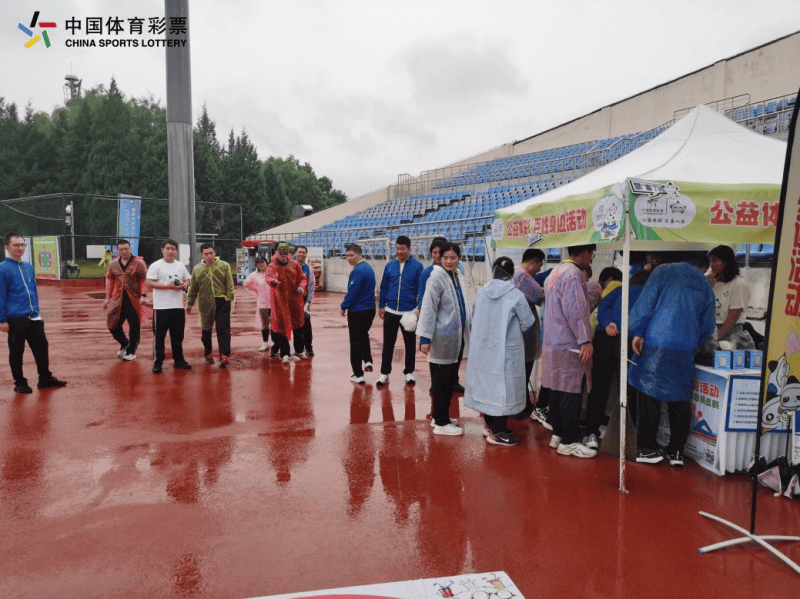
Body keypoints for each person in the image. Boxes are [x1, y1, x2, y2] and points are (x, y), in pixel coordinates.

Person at [629, 252, 716, 466]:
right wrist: (693, 340)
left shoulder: (663, 271)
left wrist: (637, 332)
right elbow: (708, 324)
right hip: (685, 346)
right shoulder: (704, 285)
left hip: (657, 340)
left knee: (650, 395)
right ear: (703, 266)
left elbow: (645, 305)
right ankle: (676, 452)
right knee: (680, 398)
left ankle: (647, 448)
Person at [465, 257, 534, 446]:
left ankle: (490, 425)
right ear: (512, 273)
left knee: (488, 386)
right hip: (506, 350)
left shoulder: (481, 292)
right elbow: (528, 322)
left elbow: (473, 317)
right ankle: (498, 431)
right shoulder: (516, 295)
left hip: (483, 348)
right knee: (505, 389)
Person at [541, 244, 596, 458]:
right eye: (591, 254)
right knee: (570, 392)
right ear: (584, 253)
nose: (590, 259)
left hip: (553, 341)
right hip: (569, 342)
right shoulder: (573, 274)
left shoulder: (555, 271)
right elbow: (576, 310)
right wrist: (585, 339)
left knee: (556, 389)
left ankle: (558, 433)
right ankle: (569, 440)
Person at [0, 232, 67, 393]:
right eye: (16, 245)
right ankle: (20, 382)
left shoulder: (28, 267)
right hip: (15, 317)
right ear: (7, 247)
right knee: (17, 350)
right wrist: (2, 320)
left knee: (41, 347)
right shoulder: (2, 269)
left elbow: (33, 291)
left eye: (23, 245)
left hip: (33, 316)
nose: (20, 248)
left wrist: (36, 310)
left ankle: (44, 378)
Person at [418, 242, 471, 436]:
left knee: (448, 380)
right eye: (445, 258)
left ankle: (441, 415)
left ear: (459, 259)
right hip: (442, 338)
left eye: (453, 258)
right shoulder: (437, 277)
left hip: (454, 338)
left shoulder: (456, 276)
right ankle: (440, 422)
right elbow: (428, 308)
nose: (449, 261)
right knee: (440, 381)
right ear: (439, 258)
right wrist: (425, 337)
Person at [583, 266, 624, 448]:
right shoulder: (632, 289)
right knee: (626, 389)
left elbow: (600, 312)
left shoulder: (609, 289)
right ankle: (622, 434)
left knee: (599, 388)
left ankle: (591, 433)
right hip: (627, 339)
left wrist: (607, 324)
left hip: (603, 338)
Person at [377, 236, 423, 386]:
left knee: (410, 344)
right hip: (390, 310)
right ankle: (384, 373)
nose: (399, 251)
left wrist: (418, 309)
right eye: (397, 248)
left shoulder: (417, 266)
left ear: (409, 249)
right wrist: (381, 305)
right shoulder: (390, 265)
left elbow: (421, 290)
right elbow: (384, 286)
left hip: (409, 312)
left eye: (402, 248)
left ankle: (409, 372)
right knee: (388, 344)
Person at [146, 238, 192, 374]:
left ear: (176, 251)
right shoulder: (156, 265)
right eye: (168, 248)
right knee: (159, 337)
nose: (170, 251)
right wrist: (167, 286)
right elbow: (149, 283)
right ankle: (158, 362)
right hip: (161, 308)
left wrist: (185, 285)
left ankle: (179, 360)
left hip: (177, 307)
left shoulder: (180, 265)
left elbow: (187, 279)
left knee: (178, 336)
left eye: (173, 249)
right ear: (162, 250)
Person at [186, 243, 235, 368]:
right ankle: (208, 352)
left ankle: (224, 355)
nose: (209, 256)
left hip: (222, 302)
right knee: (206, 330)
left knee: (223, 329)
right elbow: (193, 288)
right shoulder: (197, 269)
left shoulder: (224, 266)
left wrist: (229, 300)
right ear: (201, 255)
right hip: (205, 303)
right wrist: (190, 303)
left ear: (215, 253)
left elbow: (229, 284)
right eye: (206, 254)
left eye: (211, 253)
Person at [102, 238, 149, 361]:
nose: (124, 251)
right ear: (117, 250)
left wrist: (144, 294)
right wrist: (107, 298)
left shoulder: (139, 263)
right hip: (118, 299)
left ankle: (131, 350)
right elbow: (109, 280)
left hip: (134, 299)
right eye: (121, 249)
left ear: (130, 249)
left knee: (134, 325)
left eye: (126, 249)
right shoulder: (113, 265)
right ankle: (124, 343)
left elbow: (144, 279)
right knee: (112, 323)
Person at [513, 248, 545, 418]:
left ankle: (522, 403)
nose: (538, 270)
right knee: (522, 369)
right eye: (538, 266)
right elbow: (540, 295)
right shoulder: (522, 277)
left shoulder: (518, 275)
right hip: (523, 332)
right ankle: (517, 406)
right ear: (533, 262)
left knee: (522, 370)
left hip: (522, 331)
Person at [707, 244, 755, 350]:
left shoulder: (738, 283)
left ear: (725, 262)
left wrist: (717, 338)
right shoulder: (714, 282)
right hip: (714, 328)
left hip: (731, 332)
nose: (711, 265)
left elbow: (733, 316)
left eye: (715, 260)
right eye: (710, 261)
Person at [340, 244, 376, 383]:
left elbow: (352, 292)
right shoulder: (368, 268)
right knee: (363, 335)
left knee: (355, 341)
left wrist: (344, 306)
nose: (349, 258)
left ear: (359, 255)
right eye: (347, 256)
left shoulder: (358, 271)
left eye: (352, 255)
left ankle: (358, 374)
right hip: (370, 309)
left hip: (358, 311)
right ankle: (367, 360)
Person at [266, 242, 306, 363]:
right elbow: (268, 277)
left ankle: (299, 350)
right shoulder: (272, 266)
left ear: (288, 254)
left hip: (294, 299)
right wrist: (273, 281)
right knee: (282, 325)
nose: (283, 256)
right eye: (280, 254)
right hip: (280, 301)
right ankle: (285, 353)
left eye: (285, 254)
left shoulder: (294, 265)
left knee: (298, 324)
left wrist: (301, 287)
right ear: (276, 253)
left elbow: (302, 278)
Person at [243, 257, 272, 351]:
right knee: (265, 323)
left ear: (267, 262)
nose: (260, 264)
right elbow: (246, 283)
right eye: (258, 263)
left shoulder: (272, 273)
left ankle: (275, 342)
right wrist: (256, 290)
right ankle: (265, 342)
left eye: (262, 262)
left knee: (275, 323)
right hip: (262, 302)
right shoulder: (254, 275)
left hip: (274, 301)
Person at [293, 245, 315, 357]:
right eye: (299, 252)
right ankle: (298, 350)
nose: (301, 254)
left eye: (304, 252)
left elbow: (311, 286)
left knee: (307, 325)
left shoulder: (308, 269)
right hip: (292, 301)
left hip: (304, 300)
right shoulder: (290, 266)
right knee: (296, 326)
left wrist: (309, 301)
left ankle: (309, 348)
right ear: (295, 253)